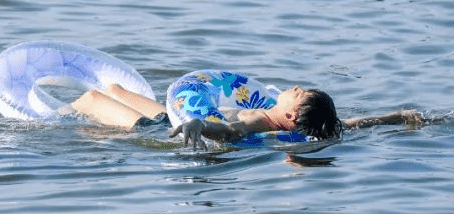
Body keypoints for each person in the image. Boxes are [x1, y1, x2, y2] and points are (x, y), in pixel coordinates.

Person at [67, 82, 423, 150]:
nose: (296, 86)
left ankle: (59, 111)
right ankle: (106, 96)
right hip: (180, 118)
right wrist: (399, 115)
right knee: (114, 88)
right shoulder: (325, 126)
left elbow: (231, 131)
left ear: (290, 113)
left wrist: (199, 124)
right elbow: (359, 123)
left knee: (94, 99)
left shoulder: (262, 123)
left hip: (175, 130)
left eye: (299, 93)